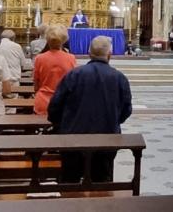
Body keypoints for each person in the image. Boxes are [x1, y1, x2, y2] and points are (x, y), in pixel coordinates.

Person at [48, 36, 132, 183]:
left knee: (69, 180)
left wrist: (60, 125)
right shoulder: (119, 78)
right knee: (101, 180)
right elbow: (126, 109)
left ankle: (69, 203)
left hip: (73, 139)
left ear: (89, 53)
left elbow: (55, 105)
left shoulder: (74, 74)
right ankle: (101, 203)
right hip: (106, 139)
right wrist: (113, 121)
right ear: (109, 55)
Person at [33, 25, 77, 115]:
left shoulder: (39, 58)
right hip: (64, 102)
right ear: (64, 41)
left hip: (43, 101)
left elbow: (36, 84)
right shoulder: (71, 58)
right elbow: (73, 83)